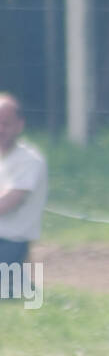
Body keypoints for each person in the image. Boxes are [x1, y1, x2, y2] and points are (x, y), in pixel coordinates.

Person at [0, 94, 47, 298]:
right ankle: (16, 283)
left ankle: (15, 283)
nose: (0, 129)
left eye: (5, 123)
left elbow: (7, 204)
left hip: (11, 242)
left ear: (19, 125)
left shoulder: (30, 160)